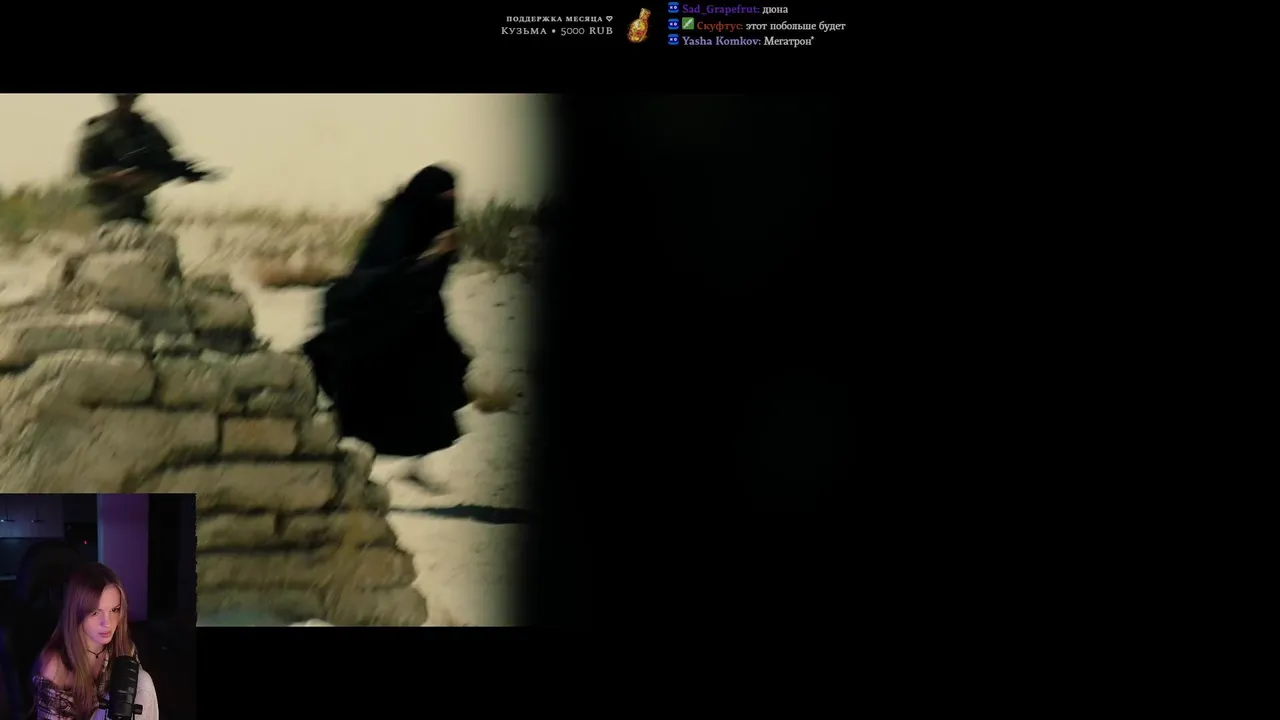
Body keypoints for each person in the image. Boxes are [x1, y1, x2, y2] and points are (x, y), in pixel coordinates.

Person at [302, 164, 471, 457]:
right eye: (443, 198)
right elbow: (379, 277)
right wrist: (430, 256)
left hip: (417, 317)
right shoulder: (399, 220)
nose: (448, 207)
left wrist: (435, 259)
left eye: (452, 198)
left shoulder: (435, 225)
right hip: (375, 315)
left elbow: (429, 283)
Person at [30, 563, 158, 720]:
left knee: (143, 681)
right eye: (96, 612)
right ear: (77, 612)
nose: (108, 623)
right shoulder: (55, 665)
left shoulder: (124, 648)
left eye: (114, 610)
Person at [75, 93, 217, 225]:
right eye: (123, 98)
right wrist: (117, 177)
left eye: (130, 98)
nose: (126, 102)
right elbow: (84, 168)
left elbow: (165, 160)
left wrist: (184, 172)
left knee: (139, 228)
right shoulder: (99, 129)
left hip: (137, 200)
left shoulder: (145, 128)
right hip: (106, 200)